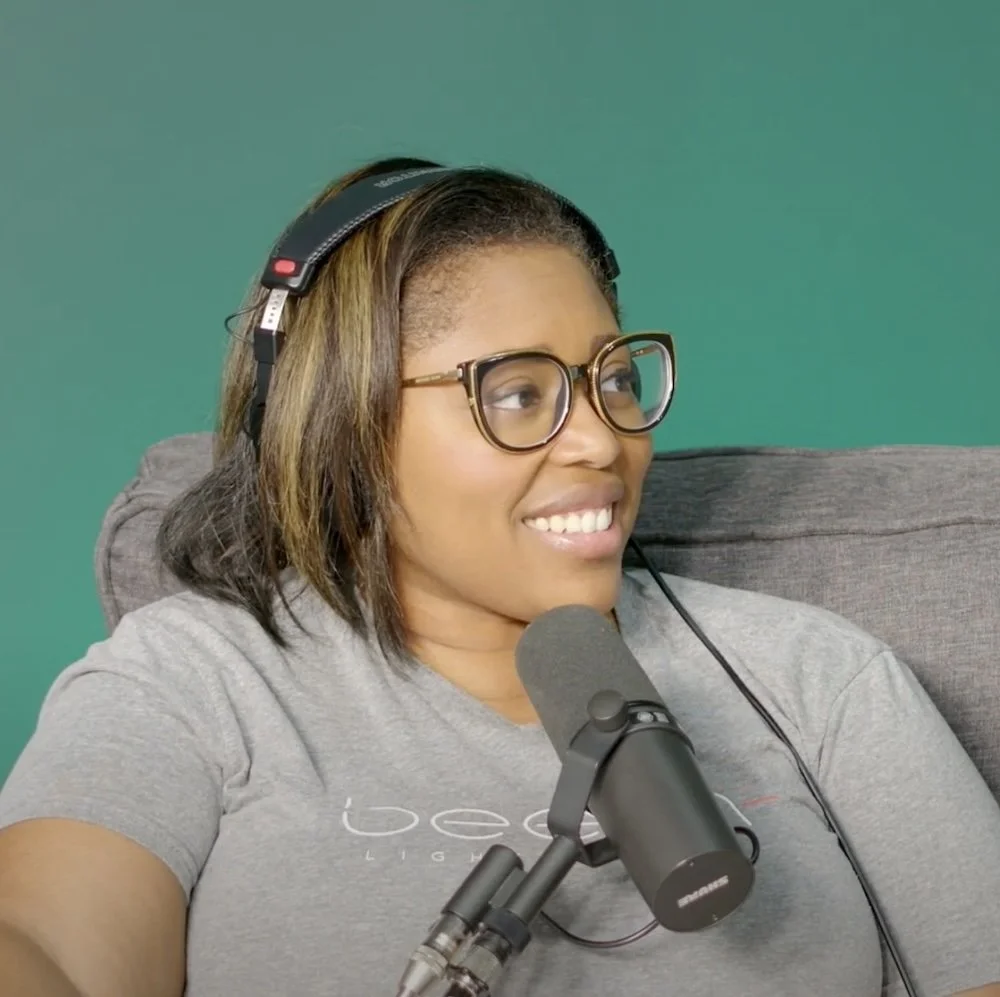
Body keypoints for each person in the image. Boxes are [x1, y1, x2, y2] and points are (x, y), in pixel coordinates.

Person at [1, 157, 998, 997]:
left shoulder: (820, 680)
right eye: (519, 392)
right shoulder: (196, 680)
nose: (602, 440)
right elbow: (46, 946)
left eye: (613, 378)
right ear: (341, 422)